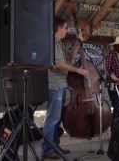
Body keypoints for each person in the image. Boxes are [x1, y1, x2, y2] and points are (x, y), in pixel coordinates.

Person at [42, 17, 89, 159]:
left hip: (60, 84)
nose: (67, 30)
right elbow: (59, 65)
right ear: (59, 28)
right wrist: (78, 71)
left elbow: (66, 61)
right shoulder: (52, 42)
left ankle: (54, 145)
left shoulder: (58, 43)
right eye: (66, 27)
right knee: (52, 118)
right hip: (55, 85)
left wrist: (78, 43)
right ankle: (47, 150)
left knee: (56, 118)